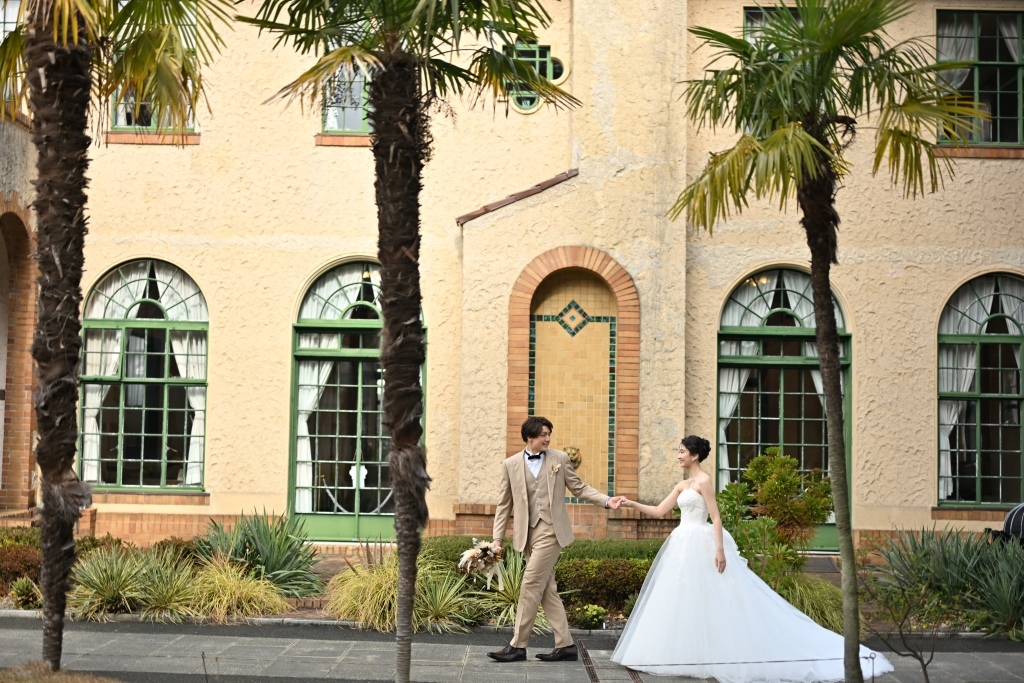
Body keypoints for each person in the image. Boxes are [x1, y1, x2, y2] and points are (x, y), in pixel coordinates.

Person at [612, 436, 894, 682]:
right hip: (681, 543)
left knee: (711, 596)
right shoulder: (681, 484)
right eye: (679, 451)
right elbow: (659, 511)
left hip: (701, 541)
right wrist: (630, 502)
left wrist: (719, 549)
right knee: (682, 597)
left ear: (694, 455)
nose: (678, 455)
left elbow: (716, 516)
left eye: (681, 451)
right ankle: (685, 653)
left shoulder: (704, 481)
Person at [488, 416, 627, 663]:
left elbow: (579, 488)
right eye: (543, 434)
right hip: (526, 534)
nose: (547, 439)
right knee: (546, 590)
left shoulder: (559, 459)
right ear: (529, 437)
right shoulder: (510, 464)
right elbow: (504, 504)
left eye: (549, 434)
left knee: (531, 583)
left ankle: (517, 646)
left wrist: (607, 500)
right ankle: (566, 645)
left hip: (551, 531)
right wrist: (497, 539)